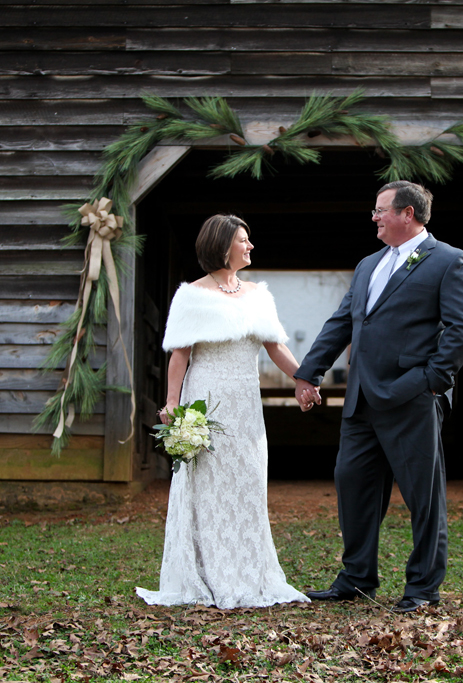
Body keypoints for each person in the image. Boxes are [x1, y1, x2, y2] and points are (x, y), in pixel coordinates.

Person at [293, 181, 463, 614]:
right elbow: (342, 322)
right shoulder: (367, 265)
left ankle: (422, 588)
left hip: (412, 398)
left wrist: (431, 380)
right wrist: (309, 372)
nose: (374, 217)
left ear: (408, 213)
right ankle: (356, 579)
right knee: (352, 485)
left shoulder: (450, 261)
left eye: (380, 210)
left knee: (423, 497)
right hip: (361, 400)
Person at [136, 214, 310, 609]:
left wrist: (306, 378)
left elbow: (275, 347)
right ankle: (206, 572)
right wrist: (172, 403)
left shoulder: (259, 294)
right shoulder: (191, 295)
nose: (250, 247)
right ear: (222, 245)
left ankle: (249, 573)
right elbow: (180, 354)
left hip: (247, 405)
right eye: (244, 240)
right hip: (207, 400)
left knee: (247, 483)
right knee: (208, 486)